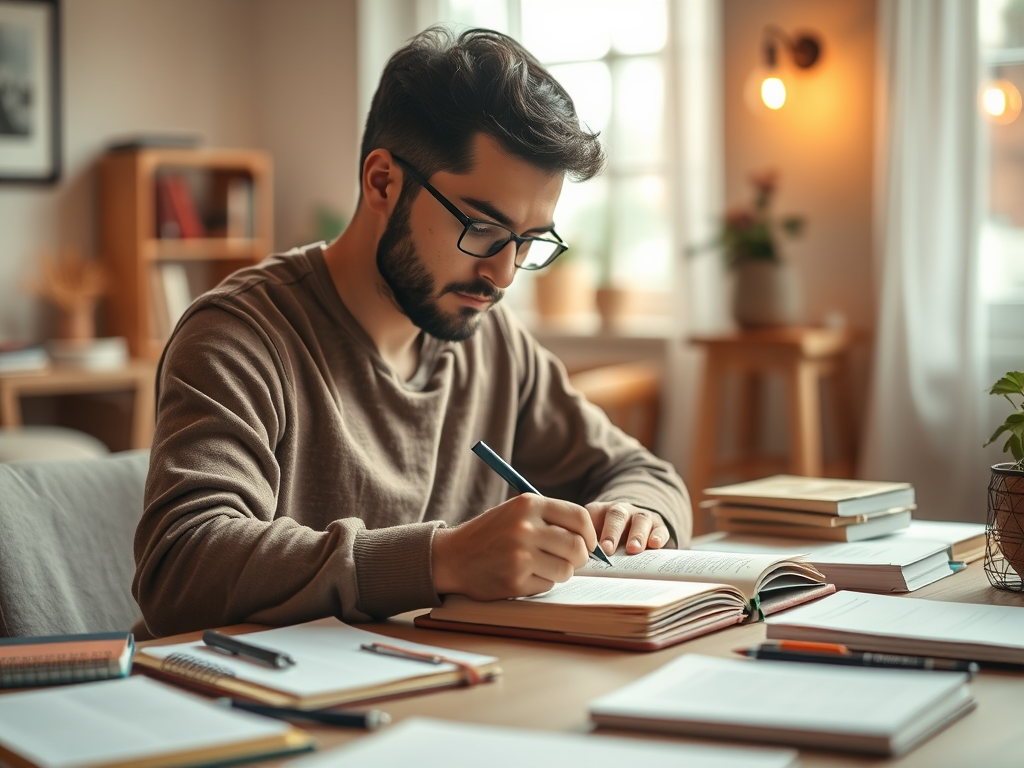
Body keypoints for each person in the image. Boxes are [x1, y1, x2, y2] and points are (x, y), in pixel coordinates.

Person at [133, 27, 691, 638]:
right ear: (382, 183)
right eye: (482, 228)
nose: (503, 273)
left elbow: (646, 474)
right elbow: (182, 567)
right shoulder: (239, 338)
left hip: (436, 693)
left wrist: (634, 516)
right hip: (262, 712)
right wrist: (440, 560)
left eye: (530, 242)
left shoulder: (493, 342)